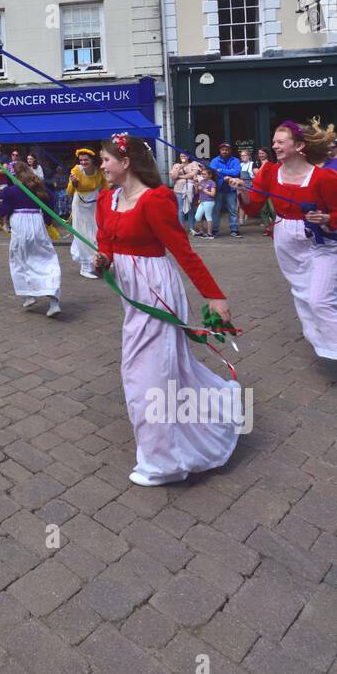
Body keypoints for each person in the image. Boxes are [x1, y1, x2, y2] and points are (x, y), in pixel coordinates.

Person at [95, 133, 240, 486]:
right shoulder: (107, 199)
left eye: (105, 160)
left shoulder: (155, 200)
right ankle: (222, 410)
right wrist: (103, 259)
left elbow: (182, 250)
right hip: (131, 294)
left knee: (147, 376)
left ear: (125, 162)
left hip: (156, 291)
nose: (102, 166)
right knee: (161, 370)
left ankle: (164, 462)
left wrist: (214, 296)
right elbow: (105, 238)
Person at [228, 118, 337, 361]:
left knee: (319, 299)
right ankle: (324, 346)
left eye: (281, 142)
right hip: (285, 240)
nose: (274, 146)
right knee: (302, 294)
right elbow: (254, 207)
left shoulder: (324, 178)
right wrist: (242, 189)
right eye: (274, 142)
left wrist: (327, 216)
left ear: (299, 146)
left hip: (320, 244)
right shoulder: (269, 172)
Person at [0, 162, 61, 316]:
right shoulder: (40, 189)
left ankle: (29, 294)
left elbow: (2, 211)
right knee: (46, 260)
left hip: (20, 226)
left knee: (20, 260)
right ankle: (51, 301)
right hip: (37, 224)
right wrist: (47, 222)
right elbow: (49, 205)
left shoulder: (10, 191)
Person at [66, 147, 108, 277]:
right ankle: (84, 267)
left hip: (94, 205)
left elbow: (106, 186)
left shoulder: (99, 171)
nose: (83, 162)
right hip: (79, 205)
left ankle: (95, 262)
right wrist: (74, 183)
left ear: (92, 160)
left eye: (86, 160)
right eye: (81, 160)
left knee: (95, 233)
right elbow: (69, 192)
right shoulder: (76, 170)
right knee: (82, 234)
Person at [210, 142, 241, 237]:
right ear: (220, 150)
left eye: (226, 150)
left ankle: (234, 229)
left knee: (232, 210)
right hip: (218, 189)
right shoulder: (215, 160)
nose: (225, 151)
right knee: (216, 210)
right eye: (223, 149)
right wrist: (228, 173)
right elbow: (212, 172)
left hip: (231, 189)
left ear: (229, 150)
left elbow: (236, 172)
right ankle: (215, 230)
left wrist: (221, 170)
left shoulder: (235, 160)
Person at [169, 151, 201, 235]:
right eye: (181, 156)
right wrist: (178, 169)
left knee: (191, 209)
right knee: (180, 209)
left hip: (190, 188)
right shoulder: (176, 165)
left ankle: (192, 228)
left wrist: (180, 176)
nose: (183, 157)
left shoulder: (193, 164)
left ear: (188, 157)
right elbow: (173, 177)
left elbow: (193, 174)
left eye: (185, 156)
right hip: (179, 189)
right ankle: (181, 228)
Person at [192, 169, 217, 238]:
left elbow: (213, 194)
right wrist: (196, 186)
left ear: (210, 175)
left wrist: (202, 189)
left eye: (205, 174)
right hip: (202, 201)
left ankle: (210, 233)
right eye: (202, 174)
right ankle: (201, 232)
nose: (203, 175)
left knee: (208, 216)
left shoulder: (212, 183)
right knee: (197, 216)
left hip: (209, 201)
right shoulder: (202, 181)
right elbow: (197, 192)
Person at [237, 145, 256, 225]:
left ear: (248, 156)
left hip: (250, 185)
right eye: (241, 155)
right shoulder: (240, 165)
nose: (243, 157)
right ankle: (241, 220)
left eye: (244, 155)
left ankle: (247, 216)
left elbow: (255, 176)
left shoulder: (252, 164)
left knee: (249, 202)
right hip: (241, 185)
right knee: (241, 203)